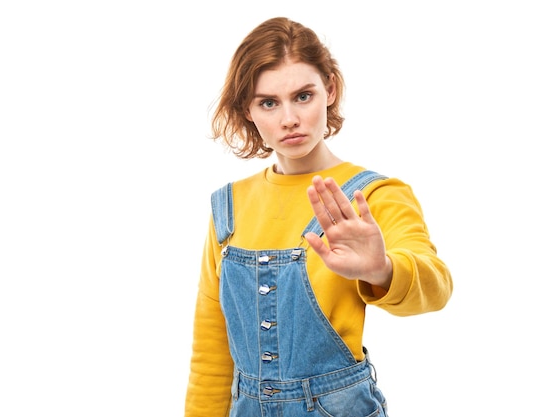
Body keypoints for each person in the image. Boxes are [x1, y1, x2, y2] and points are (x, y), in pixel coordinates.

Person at [184, 16, 453, 417]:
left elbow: (437, 285)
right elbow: (212, 344)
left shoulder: (374, 195)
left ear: (330, 89)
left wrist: (381, 269)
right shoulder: (229, 206)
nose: (289, 118)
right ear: (248, 110)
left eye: (303, 96)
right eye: (268, 102)